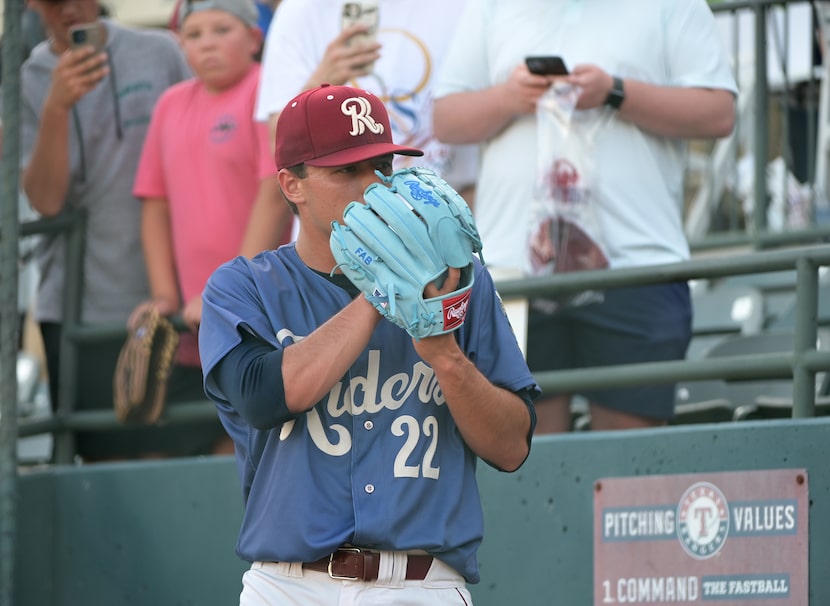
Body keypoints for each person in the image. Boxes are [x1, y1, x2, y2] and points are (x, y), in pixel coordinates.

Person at [198, 83, 539, 604]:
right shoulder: (244, 285)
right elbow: (263, 398)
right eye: (346, 171)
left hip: (422, 584)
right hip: (290, 585)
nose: (372, 186)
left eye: (383, 167)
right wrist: (384, 291)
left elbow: (512, 447)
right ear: (292, 185)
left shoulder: (457, 280)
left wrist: (446, 357)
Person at [433, 0, 738, 432]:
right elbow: (445, 120)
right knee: (530, 472)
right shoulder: (490, 7)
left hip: (636, 265)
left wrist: (615, 91)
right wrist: (509, 97)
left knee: (629, 480)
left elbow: (718, 112)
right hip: (514, 270)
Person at [21, 0, 191, 459]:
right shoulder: (24, 81)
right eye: (55, 0)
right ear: (33, 5)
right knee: (105, 466)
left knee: (192, 451)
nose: (70, 9)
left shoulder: (160, 51)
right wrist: (56, 108)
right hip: (81, 309)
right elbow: (45, 200)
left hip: (178, 299)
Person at [129, 0, 293, 456]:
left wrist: (229, 290)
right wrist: (165, 294)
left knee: (248, 450)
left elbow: (274, 190)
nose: (207, 44)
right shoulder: (169, 104)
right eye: (195, 34)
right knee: (179, 448)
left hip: (258, 315)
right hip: (190, 326)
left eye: (222, 29)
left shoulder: (267, 92)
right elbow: (154, 203)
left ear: (254, 38)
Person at [253, 0, 478, 201]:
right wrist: (320, 84)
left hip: (444, 216)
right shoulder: (300, 11)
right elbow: (279, 147)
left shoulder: (466, 6)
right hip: (340, 228)